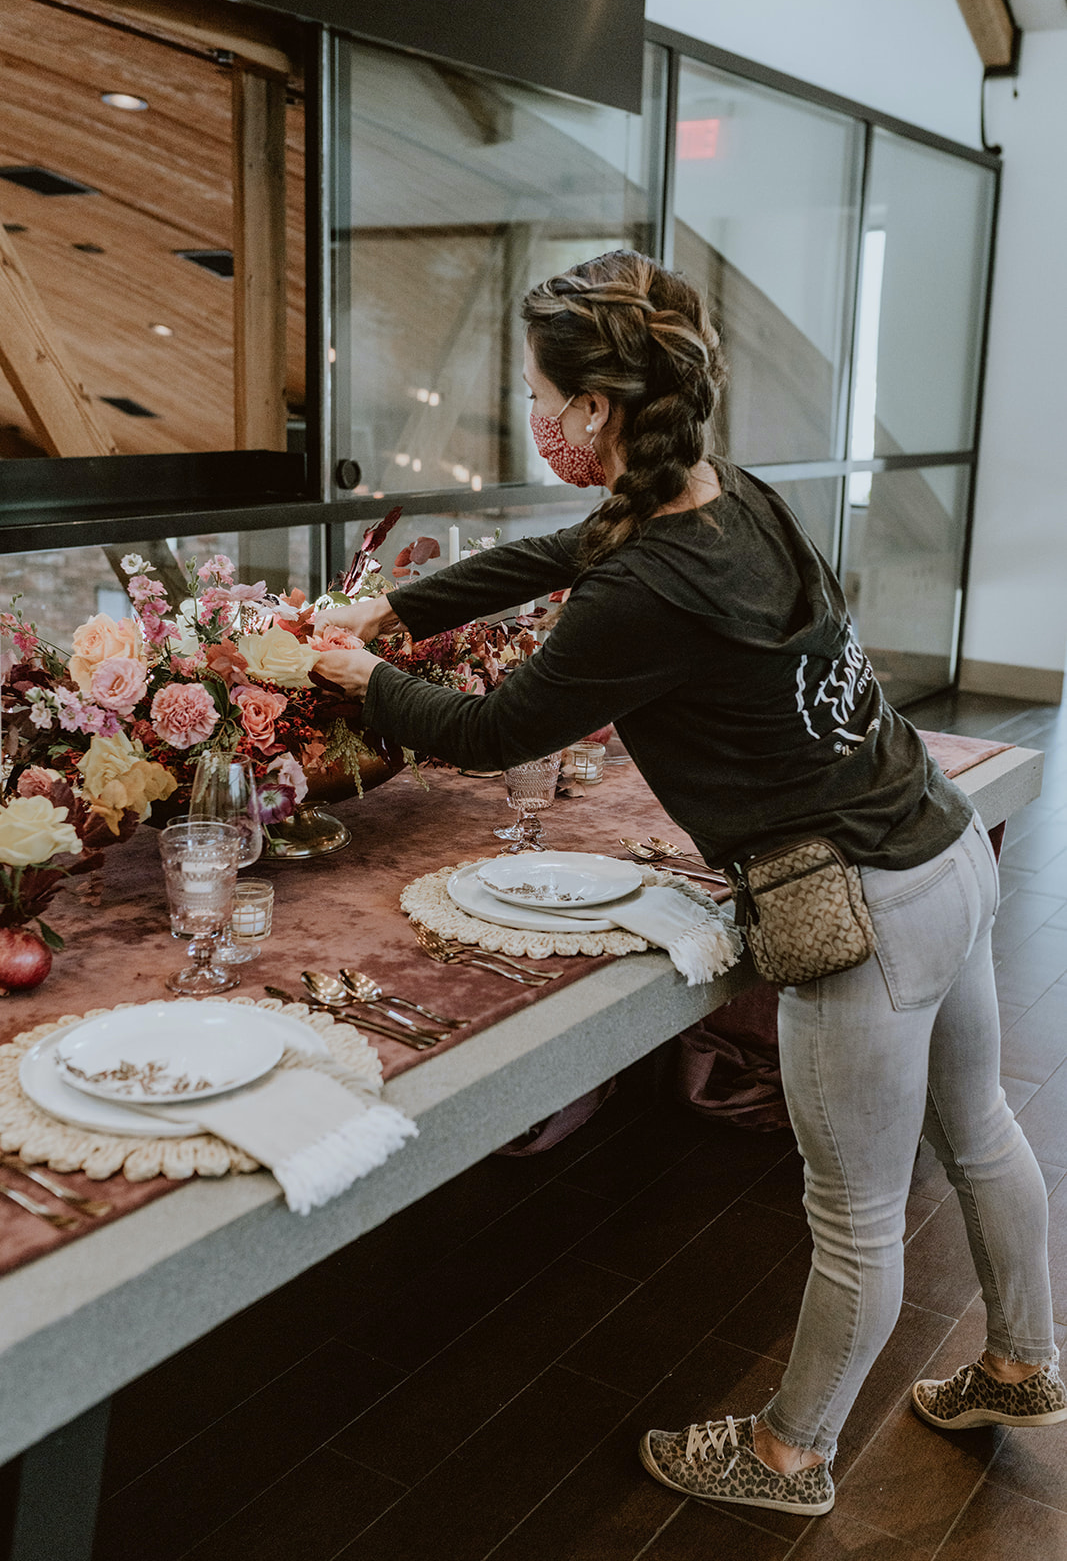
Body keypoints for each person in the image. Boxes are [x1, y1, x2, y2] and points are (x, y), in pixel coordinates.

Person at [313, 249, 1064, 1517]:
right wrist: (398, 613)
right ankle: (1019, 1360)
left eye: (544, 394)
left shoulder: (644, 589)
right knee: (979, 1124)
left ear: (596, 410)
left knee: (855, 1213)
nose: (535, 415)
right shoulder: (731, 501)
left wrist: (352, 682)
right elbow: (569, 551)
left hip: (861, 909)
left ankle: (788, 1455)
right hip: (937, 849)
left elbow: (496, 734)